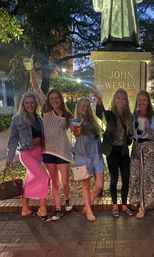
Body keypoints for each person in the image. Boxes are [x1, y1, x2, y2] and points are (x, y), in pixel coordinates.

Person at [28, 70, 73, 221]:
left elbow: (75, 133)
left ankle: (67, 197)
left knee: (64, 182)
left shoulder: (68, 115)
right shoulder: (46, 110)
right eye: (51, 98)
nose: (54, 100)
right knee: (54, 182)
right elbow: (36, 88)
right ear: (49, 100)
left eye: (56, 98)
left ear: (61, 99)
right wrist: (31, 71)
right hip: (48, 151)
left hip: (63, 152)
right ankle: (58, 209)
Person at [5, 92, 49, 221]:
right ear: (23, 104)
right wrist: (9, 159)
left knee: (30, 179)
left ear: (35, 104)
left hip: (38, 153)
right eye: (27, 102)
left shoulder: (39, 118)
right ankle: (42, 208)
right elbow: (12, 140)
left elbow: (43, 137)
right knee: (43, 176)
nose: (30, 105)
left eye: (32, 102)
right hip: (26, 153)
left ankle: (25, 208)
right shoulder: (17, 119)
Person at [96, 88, 133, 218]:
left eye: (123, 98)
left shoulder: (129, 116)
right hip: (112, 151)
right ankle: (114, 205)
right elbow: (99, 113)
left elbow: (130, 136)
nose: (121, 100)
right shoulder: (110, 114)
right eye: (118, 98)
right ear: (114, 100)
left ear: (126, 101)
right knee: (114, 179)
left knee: (126, 179)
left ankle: (124, 205)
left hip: (123, 151)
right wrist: (99, 100)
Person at [72, 98, 106, 222]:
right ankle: (89, 211)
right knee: (85, 186)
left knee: (99, 184)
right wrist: (80, 121)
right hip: (83, 156)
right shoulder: (75, 121)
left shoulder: (92, 121)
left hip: (96, 154)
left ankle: (87, 205)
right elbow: (75, 133)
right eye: (83, 106)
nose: (85, 108)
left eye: (87, 106)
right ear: (78, 107)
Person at [129, 91, 154, 219]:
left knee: (147, 176)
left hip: (148, 147)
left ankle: (144, 205)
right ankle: (137, 200)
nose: (141, 103)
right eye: (139, 100)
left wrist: (146, 127)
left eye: (144, 100)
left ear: (148, 102)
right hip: (136, 146)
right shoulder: (132, 116)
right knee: (135, 174)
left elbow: (153, 133)